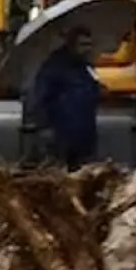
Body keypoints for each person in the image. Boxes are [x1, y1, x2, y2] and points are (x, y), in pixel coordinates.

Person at [28, 28, 101, 168]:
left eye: (89, 45)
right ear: (72, 45)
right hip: (61, 132)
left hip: (84, 133)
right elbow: (41, 96)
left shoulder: (85, 66)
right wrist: (44, 126)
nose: (87, 49)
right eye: (83, 45)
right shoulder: (54, 67)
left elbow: (92, 89)